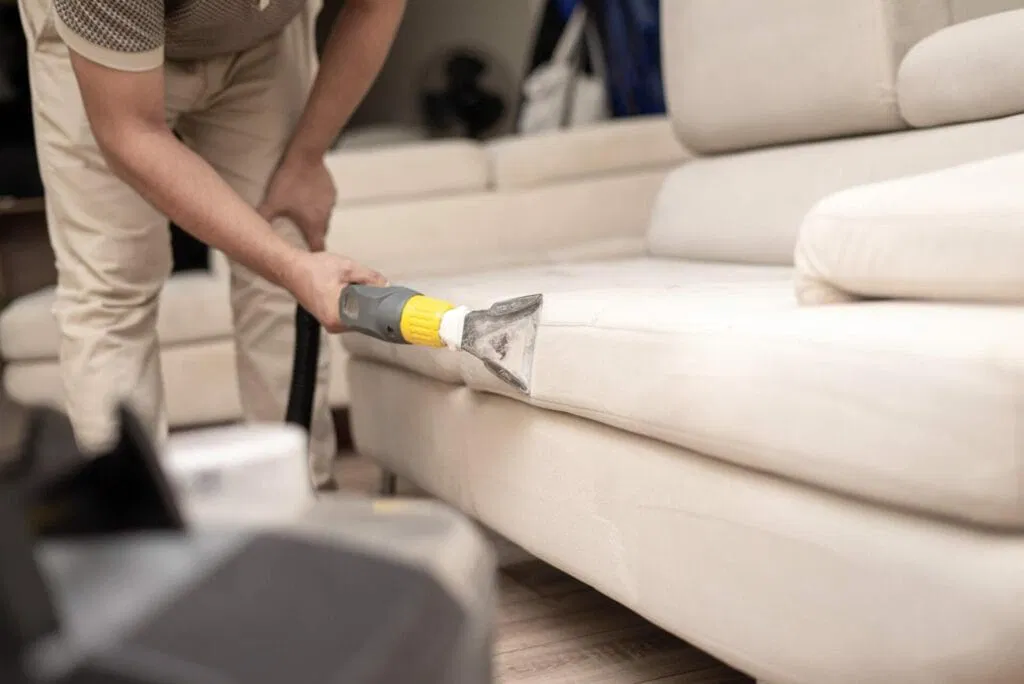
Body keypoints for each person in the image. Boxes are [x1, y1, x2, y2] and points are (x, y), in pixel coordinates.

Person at [17, 0, 404, 490]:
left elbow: (377, 5)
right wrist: (287, 264)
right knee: (112, 286)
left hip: (261, 44)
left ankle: (301, 505)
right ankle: (132, 531)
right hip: (102, 67)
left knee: (284, 279)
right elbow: (128, 130)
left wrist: (307, 159)